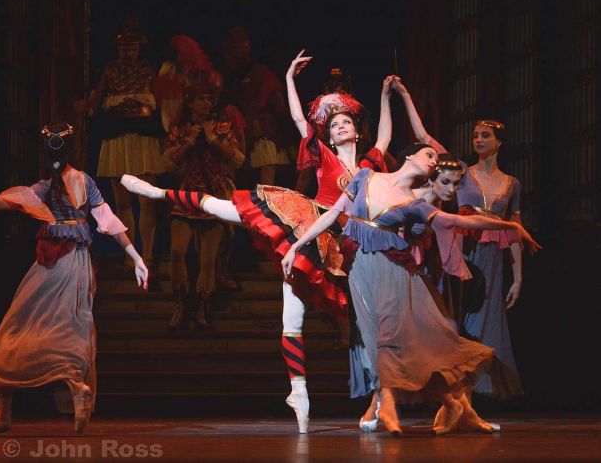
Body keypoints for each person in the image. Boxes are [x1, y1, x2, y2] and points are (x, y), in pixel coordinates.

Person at [119, 50, 395, 433]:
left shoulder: (369, 165)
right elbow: (298, 119)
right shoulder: (324, 155)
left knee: (347, 319)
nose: (340, 127)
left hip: (344, 241)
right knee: (230, 211)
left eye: (346, 122)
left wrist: (387, 95)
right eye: (334, 125)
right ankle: (158, 193)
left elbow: (386, 135)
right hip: (308, 223)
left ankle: (372, 396)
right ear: (329, 136)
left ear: (357, 130)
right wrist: (289, 78)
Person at [280, 144, 540, 435]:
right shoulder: (365, 177)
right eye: (429, 155)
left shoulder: (415, 203)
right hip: (359, 268)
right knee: (376, 337)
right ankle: (451, 404)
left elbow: (456, 220)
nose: (433, 161)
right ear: (409, 156)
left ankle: (390, 406)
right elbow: (332, 214)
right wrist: (296, 246)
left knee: (394, 337)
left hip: (391, 270)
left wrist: (509, 226)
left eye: (435, 159)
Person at [0, 124, 148, 433]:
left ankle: (26, 399)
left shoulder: (60, 184)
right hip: (71, 263)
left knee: (23, 324)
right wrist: (135, 257)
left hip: (61, 264)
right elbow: (108, 221)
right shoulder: (61, 184)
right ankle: (21, 403)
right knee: (62, 325)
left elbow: (107, 221)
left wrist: (136, 257)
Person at [163, 79, 245, 330]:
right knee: (177, 251)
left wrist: (211, 139)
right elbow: (170, 163)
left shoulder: (221, 127)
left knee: (208, 259)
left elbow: (237, 159)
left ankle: (201, 308)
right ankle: (180, 304)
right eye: (201, 98)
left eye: (209, 99)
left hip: (213, 195)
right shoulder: (180, 128)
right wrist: (190, 141)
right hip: (187, 194)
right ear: (190, 102)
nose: (206, 103)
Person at [455, 119, 527, 399]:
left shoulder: (512, 184)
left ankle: (473, 390)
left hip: (493, 257)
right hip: (465, 251)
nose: (479, 140)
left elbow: (515, 232)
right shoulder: (462, 172)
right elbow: (427, 139)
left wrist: (518, 278)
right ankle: (455, 391)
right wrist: (404, 98)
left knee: (486, 318)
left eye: (485, 135)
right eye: (475, 135)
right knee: (460, 317)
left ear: (499, 142)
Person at [87, 17, 164, 271]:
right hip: (117, 136)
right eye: (124, 48)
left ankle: (148, 253)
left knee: (146, 201)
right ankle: (130, 255)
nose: (128, 52)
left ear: (139, 48)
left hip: (143, 137)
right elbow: (96, 99)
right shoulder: (108, 71)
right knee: (122, 202)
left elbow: (163, 101)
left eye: (132, 48)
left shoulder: (149, 71)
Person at [222, 27, 287, 185]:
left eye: (243, 43)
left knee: (266, 183)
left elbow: (279, 104)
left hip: (263, 135)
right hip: (239, 135)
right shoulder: (232, 77)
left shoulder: (260, 72)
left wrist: (261, 121)